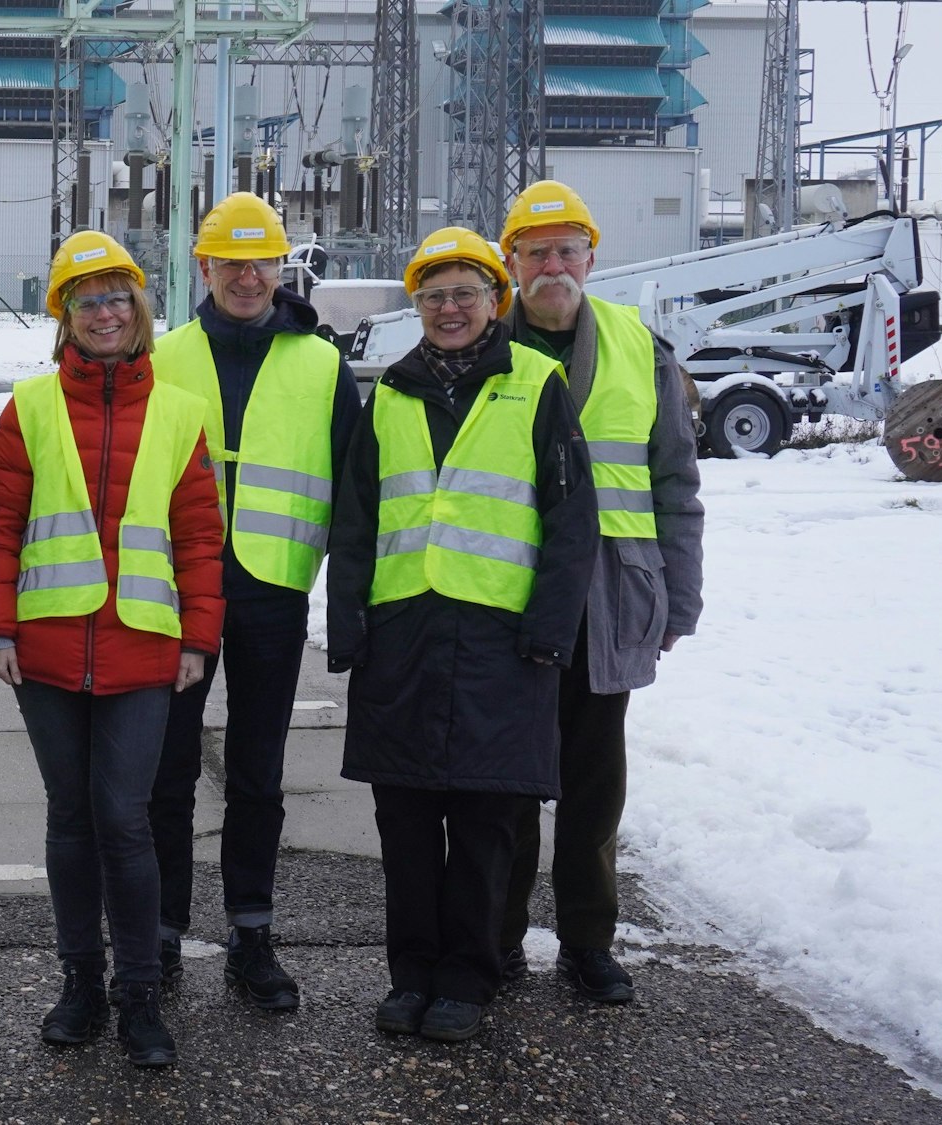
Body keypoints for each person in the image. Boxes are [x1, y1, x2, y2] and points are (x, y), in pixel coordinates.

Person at [323, 228, 596, 1042]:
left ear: (493, 302)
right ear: (418, 307)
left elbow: (572, 524)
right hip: (402, 637)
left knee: (485, 826)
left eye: (465, 295)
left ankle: (467, 978)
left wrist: (550, 632)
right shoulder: (391, 394)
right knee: (405, 825)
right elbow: (356, 520)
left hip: (501, 646)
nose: (450, 310)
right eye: (435, 296)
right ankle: (410, 975)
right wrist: (348, 625)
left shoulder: (537, 385)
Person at [0, 232, 225, 1068]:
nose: (104, 313)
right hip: (46, 649)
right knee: (72, 817)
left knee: (124, 816)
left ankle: (139, 994)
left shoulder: (180, 411)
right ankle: (80, 983)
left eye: (118, 297)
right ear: (65, 317)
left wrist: (198, 638)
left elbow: (200, 537)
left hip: (144, 648)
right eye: (87, 301)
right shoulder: (31, 406)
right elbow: (0, 524)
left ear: (139, 309)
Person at [147, 191, 361, 1010]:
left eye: (260, 262)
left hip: (274, 586)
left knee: (258, 774)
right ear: (202, 265)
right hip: (176, 589)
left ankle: (252, 931)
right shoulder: (163, 356)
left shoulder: (321, 364)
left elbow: (354, 492)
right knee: (167, 772)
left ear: (282, 266)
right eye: (230, 263)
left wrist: (348, 598)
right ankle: (162, 931)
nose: (246, 277)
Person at [494, 181, 705, 1004]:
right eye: (535, 253)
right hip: (508, 592)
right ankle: (498, 937)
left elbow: (675, 483)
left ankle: (588, 941)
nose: (552, 267)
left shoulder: (639, 349)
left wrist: (680, 599)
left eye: (566, 251)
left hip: (608, 597)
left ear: (590, 258)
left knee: (593, 783)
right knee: (506, 781)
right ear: (511, 262)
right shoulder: (485, 344)